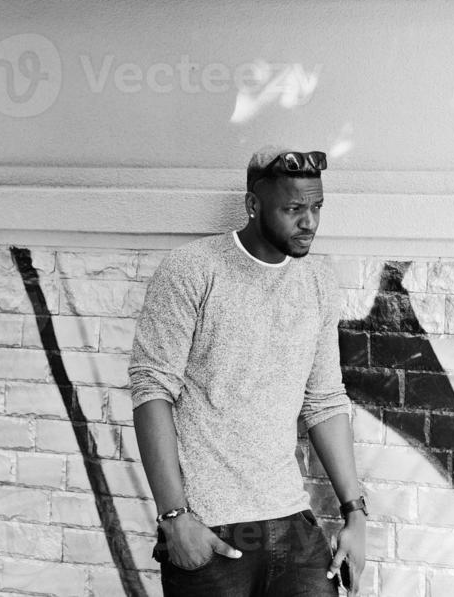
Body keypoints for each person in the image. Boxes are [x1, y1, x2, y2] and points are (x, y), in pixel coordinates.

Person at [128, 147, 367, 596]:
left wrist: (355, 512)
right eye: (293, 209)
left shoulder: (316, 282)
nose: (309, 222)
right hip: (212, 531)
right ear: (253, 206)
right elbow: (151, 390)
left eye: (316, 207)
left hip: (292, 522)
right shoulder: (193, 270)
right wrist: (174, 518)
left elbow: (325, 400)